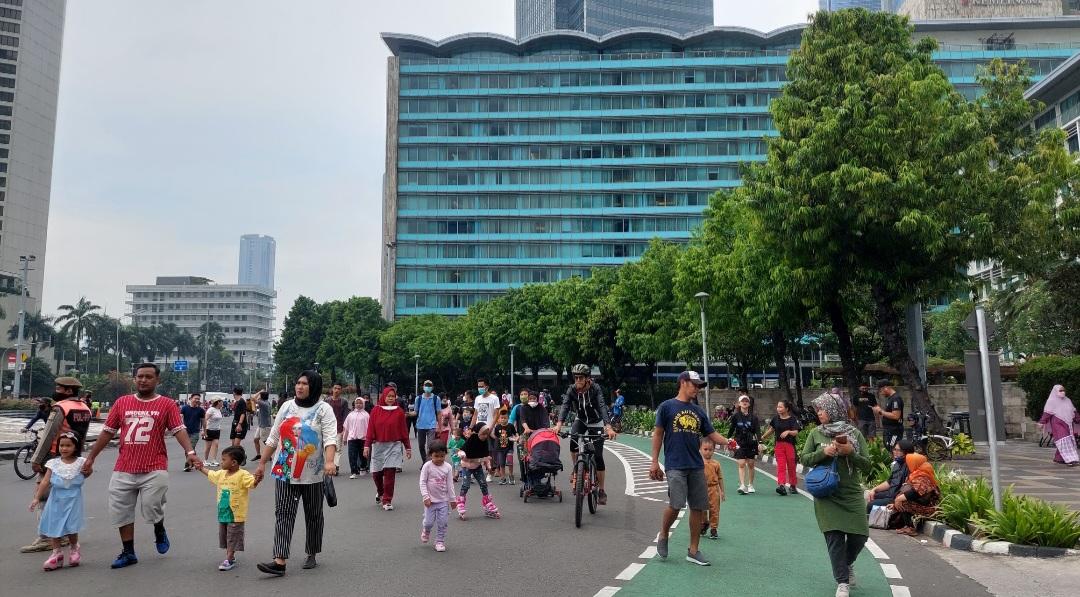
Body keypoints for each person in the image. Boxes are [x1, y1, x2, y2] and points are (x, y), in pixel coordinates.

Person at [81, 363, 200, 569]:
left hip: (154, 467)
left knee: (152, 507)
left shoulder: (166, 404)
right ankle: (128, 552)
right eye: (139, 376)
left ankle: (159, 527)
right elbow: (108, 432)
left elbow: (179, 430)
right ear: (134, 379)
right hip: (124, 467)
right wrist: (91, 458)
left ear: (157, 380)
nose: (143, 380)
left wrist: (190, 452)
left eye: (148, 377)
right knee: (120, 511)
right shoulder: (122, 403)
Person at [254, 370, 338, 576]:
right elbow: (273, 438)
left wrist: (329, 462)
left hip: (313, 474)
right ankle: (279, 560)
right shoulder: (286, 406)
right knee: (283, 514)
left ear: (314, 387)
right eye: (298, 383)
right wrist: (262, 463)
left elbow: (329, 438)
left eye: (305, 384)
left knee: (314, 515)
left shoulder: (323, 409)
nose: (299, 387)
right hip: (284, 471)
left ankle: (312, 552)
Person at [650, 370, 730, 566]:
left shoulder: (698, 411)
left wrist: (730, 442)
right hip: (675, 464)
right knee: (676, 504)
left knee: (698, 507)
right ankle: (664, 533)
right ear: (683, 382)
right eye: (695, 385)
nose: (697, 389)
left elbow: (712, 434)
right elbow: (658, 434)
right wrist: (654, 461)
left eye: (699, 386)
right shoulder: (667, 407)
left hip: (696, 465)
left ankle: (693, 551)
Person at [799, 392, 872, 597]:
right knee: (835, 537)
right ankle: (842, 582)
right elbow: (804, 459)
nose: (819, 413)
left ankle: (846, 564)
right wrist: (824, 453)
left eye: (822, 409)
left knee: (860, 535)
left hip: (850, 492)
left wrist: (851, 453)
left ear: (833, 410)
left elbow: (867, 466)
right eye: (818, 410)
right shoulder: (816, 433)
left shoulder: (854, 433)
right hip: (826, 492)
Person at [553, 364, 617, 505]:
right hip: (581, 420)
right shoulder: (572, 389)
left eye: (581, 378)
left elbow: (602, 406)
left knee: (598, 455)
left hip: (596, 422)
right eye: (575, 378)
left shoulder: (596, 389)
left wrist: (608, 427)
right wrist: (559, 424)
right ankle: (577, 470)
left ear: (588, 379)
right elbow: (565, 406)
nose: (578, 381)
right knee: (573, 441)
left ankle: (601, 490)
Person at [28, 433, 86, 571]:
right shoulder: (53, 463)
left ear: (75, 447)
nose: (64, 448)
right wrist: (36, 497)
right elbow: (45, 482)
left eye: (68, 445)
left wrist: (88, 469)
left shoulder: (81, 462)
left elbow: (88, 473)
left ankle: (74, 548)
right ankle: (56, 553)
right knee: (54, 525)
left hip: (73, 500)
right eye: (61, 445)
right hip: (56, 500)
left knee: (71, 526)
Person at [196, 445, 259, 570]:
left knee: (233, 535)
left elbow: (251, 483)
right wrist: (201, 468)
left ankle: (229, 558)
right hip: (223, 511)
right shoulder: (221, 474)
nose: (221, 462)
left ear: (234, 462)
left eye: (224, 459)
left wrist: (257, 479)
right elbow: (211, 474)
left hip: (236, 513)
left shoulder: (242, 474)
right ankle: (230, 555)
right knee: (225, 535)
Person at [364, 386, 413, 510]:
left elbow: (403, 431)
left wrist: (408, 447)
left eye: (392, 396)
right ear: (383, 396)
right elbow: (370, 429)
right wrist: (367, 445)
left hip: (394, 446)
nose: (390, 398)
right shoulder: (375, 410)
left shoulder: (399, 411)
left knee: (390, 474)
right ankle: (381, 492)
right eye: (388, 396)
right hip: (378, 446)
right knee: (376, 473)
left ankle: (387, 500)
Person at [456, 422, 499, 520]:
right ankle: (461, 503)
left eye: (486, 434)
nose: (484, 436)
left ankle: (487, 503)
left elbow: (485, 456)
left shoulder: (484, 442)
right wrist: (462, 454)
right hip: (467, 466)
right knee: (466, 485)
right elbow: (462, 450)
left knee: (483, 484)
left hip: (477, 466)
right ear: (478, 432)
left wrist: (488, 467)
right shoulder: (472, 439)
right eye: (483, 434)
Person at [891, 451, 941, 535]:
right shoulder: (918, 472)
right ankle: (906, 526)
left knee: (903, 501)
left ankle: (910, 528)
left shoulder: (922, 475)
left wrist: (898, 499)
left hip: (928, 508)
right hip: (921, 504)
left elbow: (916, 493)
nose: (907, 464)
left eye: (909, 462)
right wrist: (895, 503)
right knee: (900, 499)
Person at [419, 440, 455, 552]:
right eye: (436, 456)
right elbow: (422, 482)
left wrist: (453, 499)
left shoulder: (448, 467)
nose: (439, 459)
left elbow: (450, 484)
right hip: (430, 501)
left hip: (443, 500)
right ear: (430, 455)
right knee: (429, 522)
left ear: (445, 454)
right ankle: (426, 530)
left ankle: (440, 541)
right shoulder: (427, 466)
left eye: (442, 456)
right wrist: (426, 497)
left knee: (443, 522)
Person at [760, 399, 801, 495]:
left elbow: (796, 432)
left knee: (791, 466)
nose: (778, 409)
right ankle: (781, 485)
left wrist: (788, 432)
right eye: (777, 407)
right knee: (781, 466)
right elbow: (772, 429)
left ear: (786, 409)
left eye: (780, 407)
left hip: (790, 445)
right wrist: (763, 437)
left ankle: (793, 485)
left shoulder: (792, 419)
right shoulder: (775, 418)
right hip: (779, 445)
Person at [865, 439, 915, 513]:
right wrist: (874, 489)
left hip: (897, 496)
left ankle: (872, 523)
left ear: (906, 452)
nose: (895, 452)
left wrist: (897, 500)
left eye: (899, 450)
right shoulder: (897, 464)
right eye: (894, 449)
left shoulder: (911, 467)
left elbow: (909, 489)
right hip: (891, 493)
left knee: (871, 505)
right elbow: (889, 482)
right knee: (871, 495)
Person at [1039, 385, 1080, 466]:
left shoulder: (1067, 400)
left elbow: (1073, 410)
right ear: (1055, 391)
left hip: (1068, 424)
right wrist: (1042, 422)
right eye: (1060, 390)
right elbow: (1047, 413)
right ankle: (1071, 459)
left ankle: (1059, 458)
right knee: (1064, 440)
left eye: (1063, 390)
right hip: (1057, 423)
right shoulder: (1051, 401)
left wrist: (1077, 418)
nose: (1063, 392)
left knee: (1066, 441)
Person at [729, 395, 761, 495]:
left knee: (751, 464)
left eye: (746, 401)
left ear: (749, 404)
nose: (745, 402)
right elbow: (732, 428)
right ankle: (742, 485)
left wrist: (760, 442)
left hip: (751, 442)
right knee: (741, 463)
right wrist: (728, 439)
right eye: (742, 401)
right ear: (739, 403)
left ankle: (750, 485)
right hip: (739, 442)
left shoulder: (754, 417)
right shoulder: (735, 416)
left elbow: (757, 431)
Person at [471, 379, 501, 482]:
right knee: (477, 451)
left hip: (489, 428)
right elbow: (475, 414)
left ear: (487, 386)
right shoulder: (477, 398)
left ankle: (490, 472)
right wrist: (471, 428)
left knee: (490, 452)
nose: (480, 388)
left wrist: (492, 427)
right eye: (478, 386)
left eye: (482, 386)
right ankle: (476, 471)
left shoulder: (494, 398)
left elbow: (497, 414)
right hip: (479, 428)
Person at [699, 437, 725, 540]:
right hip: (701, 489)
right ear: (700, 449)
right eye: (705, 449)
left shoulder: (716, 464)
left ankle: (714, 529)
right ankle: (704, 523)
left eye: (710, 450)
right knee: (701, 509)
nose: (708, 452)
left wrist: (722, 491)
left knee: (715, 510)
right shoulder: (698, 463)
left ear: (714, 450)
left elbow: (720, 478)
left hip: (714, 489)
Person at [413, 380, 442, 463]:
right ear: (423, 387)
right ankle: (425, 462)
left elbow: (439, 413)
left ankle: (428, 463)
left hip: (431, 425)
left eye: (429, 385)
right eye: (426, 385)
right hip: (420, 425)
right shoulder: (418, 399)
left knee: (430, 446)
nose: (428, 387)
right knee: (421, 446)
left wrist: (439, 427)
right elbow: (415, 412)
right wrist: (406, 414)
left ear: (432, 387)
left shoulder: (436, 398)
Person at [343, 397, 370, 478]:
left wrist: (371, 439)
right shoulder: (350, 415)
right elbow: (346, 427)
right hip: (352, 438)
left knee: (363, 455)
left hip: (363, 438)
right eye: (357, 403)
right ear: (354, 404)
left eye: (360, 403)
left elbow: (369, 428)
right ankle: (353, 472)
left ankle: (362, 467)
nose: (358, 405)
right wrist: (345, 438)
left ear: (363, 404)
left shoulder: (366, 415)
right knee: (352, 455)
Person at [874, 381, 904, 449]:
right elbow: (888, 414)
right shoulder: (890, 398)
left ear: (886, 388)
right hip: (889, 429)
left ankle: (896, 460)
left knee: (893, 448)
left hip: (894, 430)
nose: (881, 393)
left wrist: (881, 411)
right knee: (889, 447)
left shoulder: (896, 398)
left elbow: (896, 416)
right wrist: (879, 411)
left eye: (881, 391)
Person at [326, 383, 349, 472]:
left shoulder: (344, 402)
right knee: (328, 447)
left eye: (339, 388)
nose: (337, 390)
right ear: (332, 389)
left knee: (338, 448)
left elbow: (345, 415)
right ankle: (329, 463)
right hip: (328, 428)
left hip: (339, 428)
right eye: (335, 388)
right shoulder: (327, 401)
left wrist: (344, 429)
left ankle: (336, 465)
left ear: (341, 390)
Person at [180, 394, 206, 472]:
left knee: (190, 448)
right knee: (189, 449)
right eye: (195, 398)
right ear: (190, 399)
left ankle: (187, 465)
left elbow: (203, 421)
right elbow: (180, 418)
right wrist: (181, 427)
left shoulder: (200, 410)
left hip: (195, 432)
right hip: (185, 432)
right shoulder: (184, 408)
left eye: (198, 399)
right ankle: (194, 462)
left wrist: (204, 430)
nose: (197, 400)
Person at [492, 411, 517, 485]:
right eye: (501, 418)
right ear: (499, 419)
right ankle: (503, 478)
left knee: (510, 462)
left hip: (509, 448)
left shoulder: (510, 426)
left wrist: (515, 438)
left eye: (505, 418)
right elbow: (495, 436)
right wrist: (499, 439)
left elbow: (515, 434)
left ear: (508, 418)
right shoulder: (497, 427)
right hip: (500, 449)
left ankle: (511, 476)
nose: (503, 419)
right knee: (502, 463)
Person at [204, 399, 224, 467]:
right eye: (221, 402)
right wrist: (203, 430)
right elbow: (205, 419)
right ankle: (205, 460)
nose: (222, 403)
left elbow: (218, 420)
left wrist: (219, 427)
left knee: (216, 445)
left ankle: (213, 460)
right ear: (218, 402)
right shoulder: (211, 409)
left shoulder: (218, 410)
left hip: (216, 430)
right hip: (209, 429)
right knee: (208, 447)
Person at [253, 391, 272, 457]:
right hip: (261, 425)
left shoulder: (263, 404)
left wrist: (260, 391)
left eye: (260, 396)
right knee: (256, 439)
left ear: (261, 397)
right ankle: (258, 455)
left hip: (265, 426)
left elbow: (253, 398)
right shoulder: (266, 402)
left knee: (265, 442)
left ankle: (269, 455)